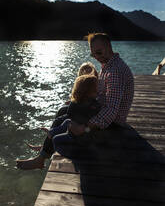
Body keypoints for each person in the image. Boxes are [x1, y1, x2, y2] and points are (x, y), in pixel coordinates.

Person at [17, 32, 134, 170]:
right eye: (93, 54)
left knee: (60, 138)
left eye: (99, 52)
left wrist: (85, 128)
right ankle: (45, 150)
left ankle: (48, 149)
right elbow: (101, 97)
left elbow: (111, 111)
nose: (96, 57)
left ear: (109, 47)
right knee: (64, 110)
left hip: (112, 126)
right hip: (100, 112)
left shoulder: (115, 71)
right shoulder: (108, 66)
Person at [16, 63, 99, 170]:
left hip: (84, 129)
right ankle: (46, 147)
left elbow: (80, 111)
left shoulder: (95, 90)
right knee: (62, 110)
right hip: (82, 120)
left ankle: (42, 155)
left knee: (64, 118)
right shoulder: (92, 92)